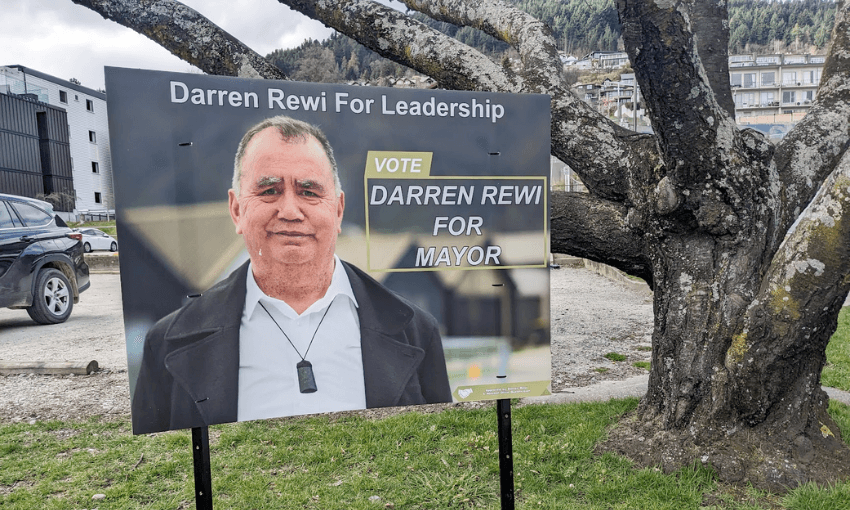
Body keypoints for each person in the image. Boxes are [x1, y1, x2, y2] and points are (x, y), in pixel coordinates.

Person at [131, 115, 451, 434]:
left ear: (338, 210)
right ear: (237, 210)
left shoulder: (416, 331)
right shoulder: (165, 344)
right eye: (269, 190)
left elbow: (437, 454)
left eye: (309, 191)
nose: (289, 210)